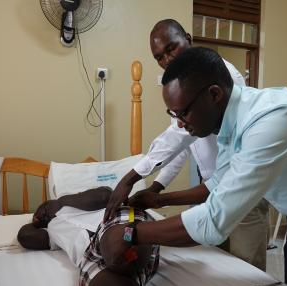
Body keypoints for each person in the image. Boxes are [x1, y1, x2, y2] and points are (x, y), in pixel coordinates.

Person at [106, 46, 287, 286]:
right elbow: (217, 183)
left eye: (183, 112)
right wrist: (160, 200)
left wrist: (131, 232)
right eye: (173, 114)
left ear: (213, 94)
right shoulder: (229, 124)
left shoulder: (273, 119)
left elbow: (213, 221)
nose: (179, 123)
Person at [105, 19, 269, 270]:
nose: (167, 60)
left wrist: (130, 179)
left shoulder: (218, 74)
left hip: (243, 188)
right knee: (219, 264)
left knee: (248, 270)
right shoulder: (180, 87)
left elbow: (178, 137)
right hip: (214, 186)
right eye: (159, 57)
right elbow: (184, 144)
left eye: (171, 49)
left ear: (189, 39)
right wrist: (156, 190)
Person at [17, 187, 160, 286]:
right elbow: (25, 237)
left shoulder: (75, 202)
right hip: (90, 257)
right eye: (39, 213)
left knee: (121, 251)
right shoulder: (52, 230)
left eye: (45, 206)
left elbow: (105, 195)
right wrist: (36, 222)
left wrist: (61, 202)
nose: (44, 212)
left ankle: (130, 247)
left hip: (116, 222)